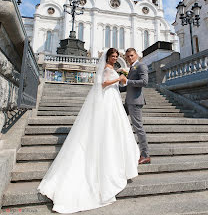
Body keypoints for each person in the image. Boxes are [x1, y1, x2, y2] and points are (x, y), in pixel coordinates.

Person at [37, 48, 140, 214]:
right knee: (108, 129)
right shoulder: (106, 67)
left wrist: (121, 78)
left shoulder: (112, 68)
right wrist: (118, 79)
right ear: (108, 57)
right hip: (107, 100)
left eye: (116, 56)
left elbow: (115, 82)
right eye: (113, 56)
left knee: (117, 129)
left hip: (113, 100)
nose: (115, 58)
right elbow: (102, 84)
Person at [119, 48, 151, 164]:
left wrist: (127, 81)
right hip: (128, 101)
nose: (130, 58)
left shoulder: (141, 66)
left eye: (131, 55)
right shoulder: (132, 68)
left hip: (136, 102)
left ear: (136, 55)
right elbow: (128, 86)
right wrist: (115, 88)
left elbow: (144, 82)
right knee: (116, 118)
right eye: (127, 57)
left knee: (138, 128)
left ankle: (145, 155)